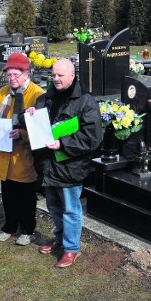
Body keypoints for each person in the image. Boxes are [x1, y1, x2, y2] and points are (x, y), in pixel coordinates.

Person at [26, 59, 102, 268]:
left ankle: (71, 248)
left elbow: (92, 137)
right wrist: (30, 115)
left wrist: (62, 143)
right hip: (49, 165)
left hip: (70, 166)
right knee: (53, 207)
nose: (56, 79)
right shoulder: (44, 99)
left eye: (60, 75)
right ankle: (59, 238)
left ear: (72, 75)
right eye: (54, 75)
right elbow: (38, 126)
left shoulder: (86, 102)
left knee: (70, 209)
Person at [0, 53, 45, 246]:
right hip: (4, 153)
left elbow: (41, 129)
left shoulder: (37, 94)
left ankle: (28, 229)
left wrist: (23, 134)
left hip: (24, 155)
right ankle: (10, 225)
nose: (12, 79)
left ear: (26, 73)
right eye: (9, 75)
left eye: (16, 75)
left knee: (26, 195)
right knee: (8, 193)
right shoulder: (3, 92)